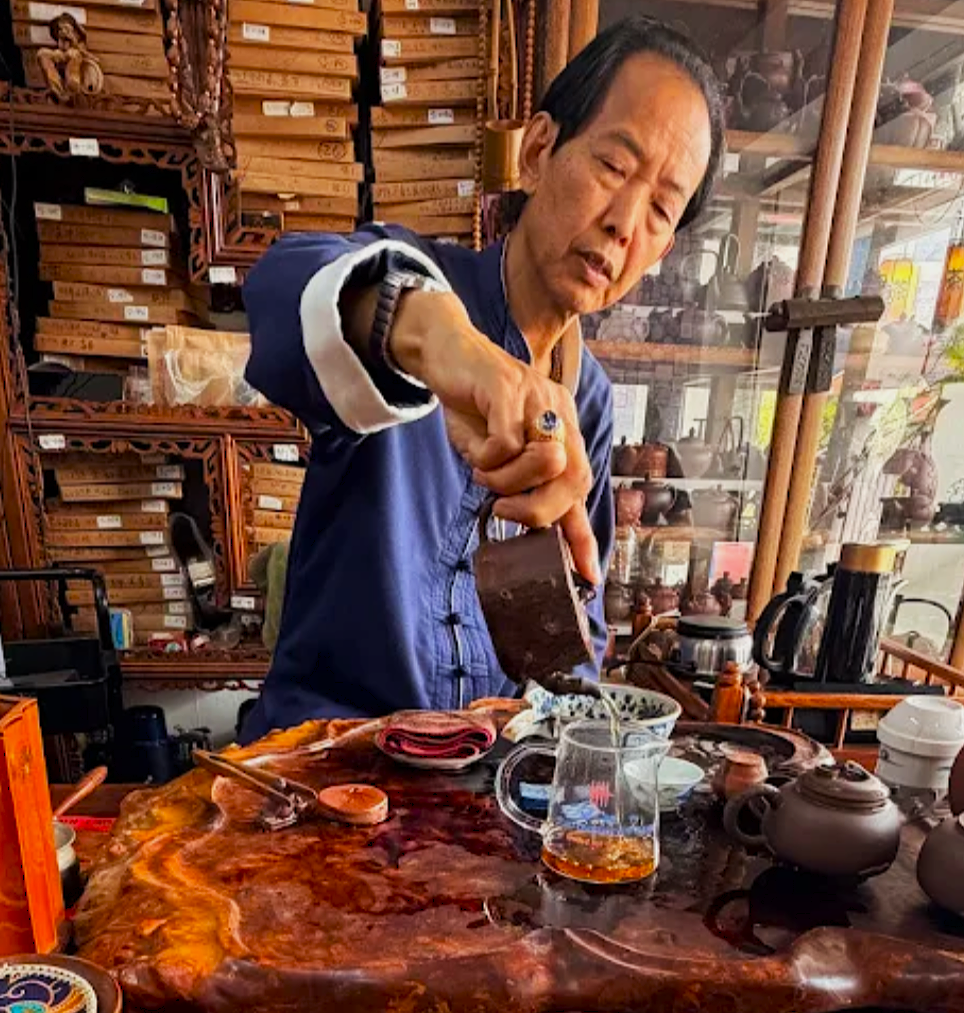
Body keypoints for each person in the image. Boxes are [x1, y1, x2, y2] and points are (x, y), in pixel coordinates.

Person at [239, 15, 723, 740]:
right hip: (327, 766)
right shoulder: (414, 285)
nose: (624, 223)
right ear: (537, 151)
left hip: (477, 787)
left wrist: (556, 710)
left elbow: (574, 636)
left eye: (661, 210)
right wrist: (441, 343)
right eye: (612, 167)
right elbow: (281, 285)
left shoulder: (583, 396)